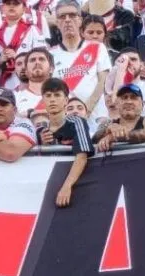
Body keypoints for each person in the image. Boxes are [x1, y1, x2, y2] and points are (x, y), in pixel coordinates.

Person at [34, 78, 94, 207]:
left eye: (57, 95)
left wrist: (67, 186)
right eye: (48, 96)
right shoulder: (40, 131)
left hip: (75, 185)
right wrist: (41, 144)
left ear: (66, 100)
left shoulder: (77, 122)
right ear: (43, 100)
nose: (52, 99)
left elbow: (82, 156)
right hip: (45, 187)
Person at [51, 0, 112, 110]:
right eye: (62, 16)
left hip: (95, 114)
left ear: (80, 20)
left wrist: (87, 109)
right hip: (65, 116)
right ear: (57, 22)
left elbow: (104, 81)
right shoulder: (50, 54)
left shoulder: (97, 47)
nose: (67, 20)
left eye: (72, 15)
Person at [94, 84, 145, 151]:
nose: (129, 102)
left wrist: (114, 137)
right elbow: (93, 139)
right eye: (124, 98)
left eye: (134, 98)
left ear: (143, 104)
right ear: (117, 104)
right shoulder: (107, 124)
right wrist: (107, 130)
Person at [14, 48, 54, 116]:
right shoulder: (14, 98)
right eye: (32, 60)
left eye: (41, 59)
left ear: (51, 69)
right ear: (26, 71)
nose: (37, 62)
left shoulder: (65, 95)